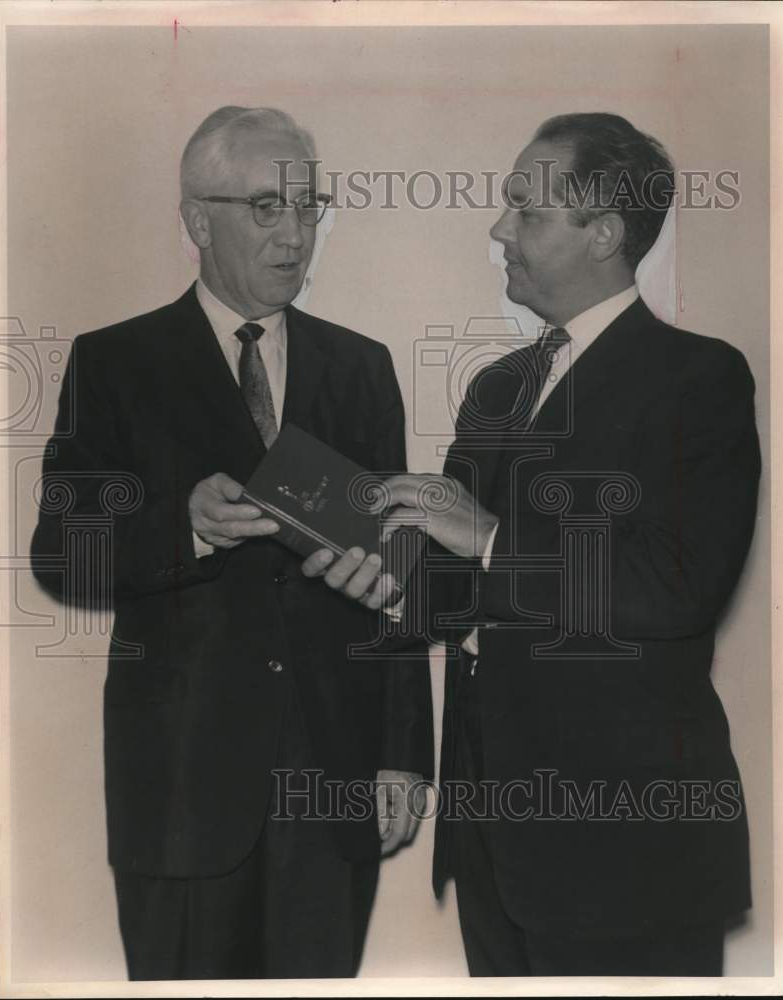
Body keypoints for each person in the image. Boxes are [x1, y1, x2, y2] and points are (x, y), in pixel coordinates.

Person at [303, 113, 761, 976]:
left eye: (526, 211)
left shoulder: (698, 378)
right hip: (490, 841)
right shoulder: (496, 388)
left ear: (605, 235)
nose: (497, 229)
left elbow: (674, 588)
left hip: (627, 853)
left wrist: (483, 534)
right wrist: (377, 567)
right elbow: (455, 597)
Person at [31, 105, 433, 980]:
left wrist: (403, 756)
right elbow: (60, 553)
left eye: (307, 207)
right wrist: (182, 525)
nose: (294, 235)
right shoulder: (116, 364)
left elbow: (395, 570)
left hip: (332, 787)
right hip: (178, 791)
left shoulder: (359, 369)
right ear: (196, 221)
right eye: (265, 208)